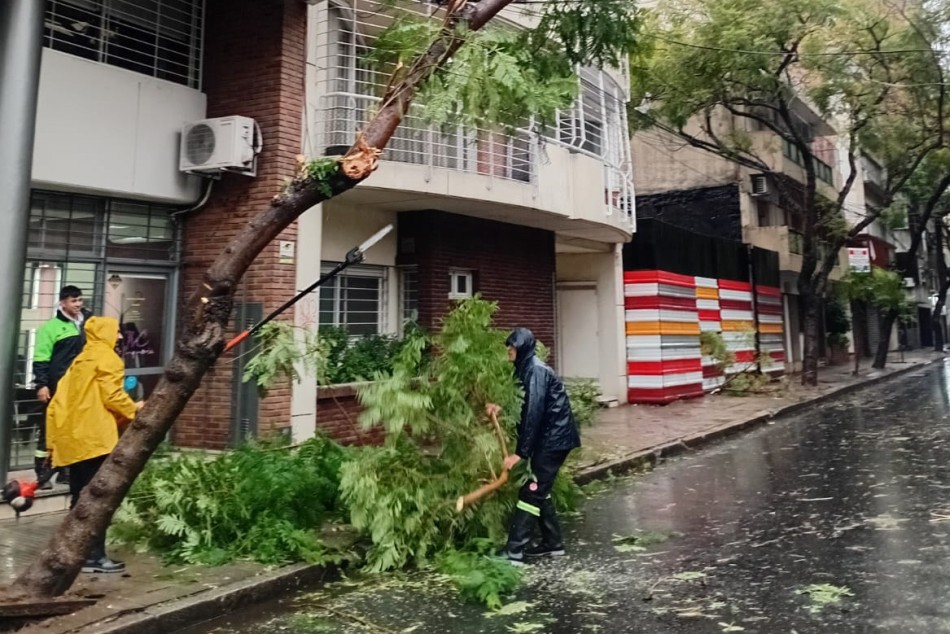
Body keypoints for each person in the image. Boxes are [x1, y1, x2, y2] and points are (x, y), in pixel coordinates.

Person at [47, 315, 143, 574]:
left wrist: (52, 443)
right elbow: (112, 395)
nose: (121, 337)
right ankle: (94, 556)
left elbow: (59, 403)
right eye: (117, 332)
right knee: (97, 499)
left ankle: (69, 553)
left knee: (79, 497)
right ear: (105, 333)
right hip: (95, 439)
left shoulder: (80, 360)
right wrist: (135, 410)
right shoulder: (107, 358)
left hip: (74, 440)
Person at [487, 327, 581, 565]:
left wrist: (520, 454)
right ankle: (553, 544)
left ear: (522, 349)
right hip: (549, 438)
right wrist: (501, 408)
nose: (508, 350)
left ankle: (514, 551)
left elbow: (532, 414)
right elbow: (521, 401)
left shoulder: (536, 371)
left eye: (512, 346)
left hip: (553, 440)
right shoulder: (524, 369)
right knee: (540, 489)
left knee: (530, 491)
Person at [33, 285, 93, 486]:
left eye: (80, 300)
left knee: (73, 429)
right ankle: (42, 474)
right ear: (62, 303)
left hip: (80, 387)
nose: (78, 304)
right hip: (56, 386)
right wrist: (42, 385)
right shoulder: (50, 328)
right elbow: (41, 359)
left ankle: (66, 471)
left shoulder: (88, 323)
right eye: (73, 301)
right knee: (49, 429)